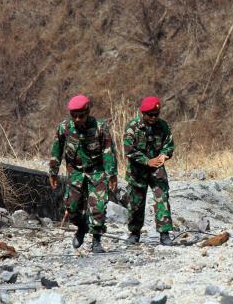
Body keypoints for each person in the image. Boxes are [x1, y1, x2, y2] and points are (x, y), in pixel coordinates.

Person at [49, 94, 118, 253]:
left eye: (81, 115)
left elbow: (108, 152)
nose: (78, 119)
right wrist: (53, 172)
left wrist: (112, 174)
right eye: (74, 116)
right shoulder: (64, 128)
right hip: (76, 172)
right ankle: (81, 227)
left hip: (97, 171)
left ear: (88, 112)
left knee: (98, 206)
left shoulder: (100, 127)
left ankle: (96, 240)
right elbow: (56, 151)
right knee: (71, 208)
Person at [123, 96, 175, 245]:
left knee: (162, 198)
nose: (153, 118)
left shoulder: (163, 126)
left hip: (157, 169)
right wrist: (147, 161)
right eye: (150, 115)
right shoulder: (132, 127)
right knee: (136, 202)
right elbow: (129, 150)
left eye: (156, 115)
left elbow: (169, 145)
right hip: (137, 169)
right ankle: (134, 233)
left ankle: (164, 234)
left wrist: (164, 155)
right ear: (143, 113)